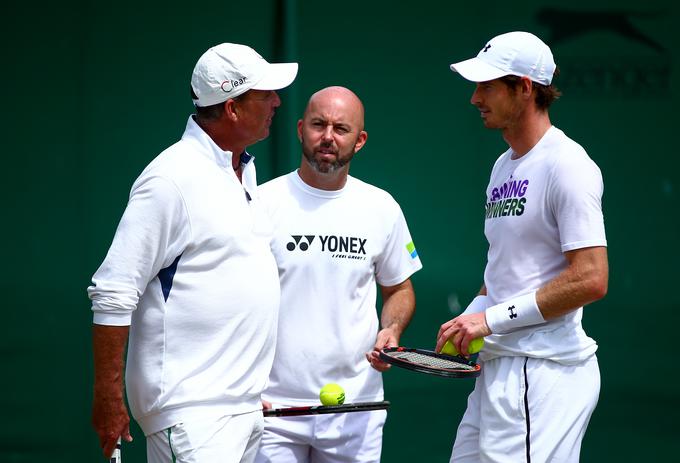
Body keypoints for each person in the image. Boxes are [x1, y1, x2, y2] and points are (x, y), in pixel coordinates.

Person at [88, 43, 297, 462]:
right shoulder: (171, 179)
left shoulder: (243, 170)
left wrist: (244, 392)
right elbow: (113, 291)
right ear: (233, 108)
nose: (277, 102)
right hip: (193, 417)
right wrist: (108, 400)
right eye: (265, 94)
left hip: (240, 409)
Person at [437, 31, 608, 462]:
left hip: (543, 373)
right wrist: (469, 320)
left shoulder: (567, 165)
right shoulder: (502, 165)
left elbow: (591, 279)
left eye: (488, 86)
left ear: (525, 88)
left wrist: (489, 322)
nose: (475, 98)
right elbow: (508, 271)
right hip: (502, 366)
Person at [254, 86, 422, 462]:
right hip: (272, 409)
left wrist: (391, 331)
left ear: (359, 140)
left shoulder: (381, 206)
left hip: (356, 410)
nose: (328, 137)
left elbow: (399, 289)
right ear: (300, 129)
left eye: (341, 129)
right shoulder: (261, 203)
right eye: (318, 124)